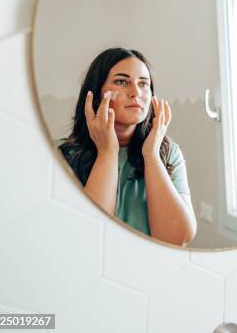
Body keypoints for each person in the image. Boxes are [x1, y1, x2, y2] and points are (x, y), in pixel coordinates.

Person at [58, 48, 197, 246]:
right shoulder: (63, 155)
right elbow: (89, 236)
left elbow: (176, 238)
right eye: (121, 82)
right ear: (96, 94)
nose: (136, 93)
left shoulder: (169, 154)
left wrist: (151, 155)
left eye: (143, 84)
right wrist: (107, 154)